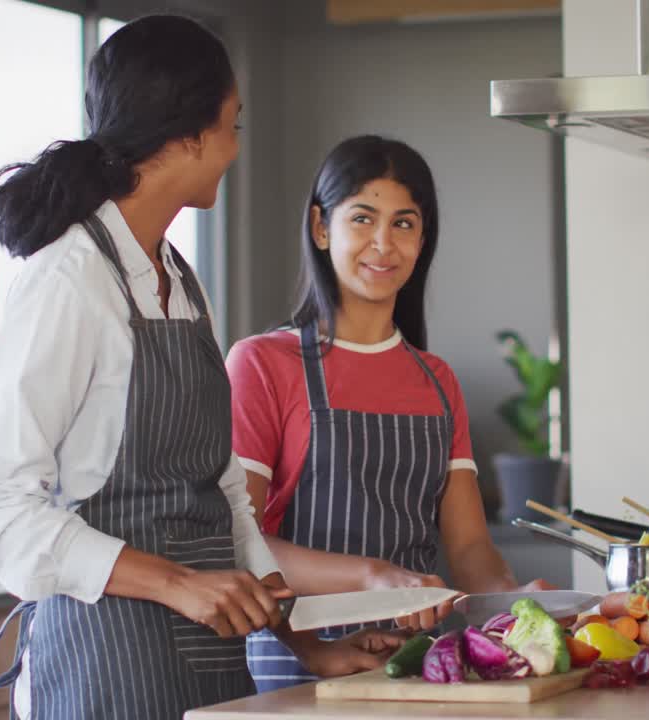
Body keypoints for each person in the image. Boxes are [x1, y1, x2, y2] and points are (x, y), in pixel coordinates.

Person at [0, 17, 393, 719]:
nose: (233, 150)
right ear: (191, 135)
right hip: (103, 665)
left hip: (208, 665)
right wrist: (174, 583)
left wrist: (301, 641)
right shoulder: (70, 279)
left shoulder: (179, 282)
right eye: (232, 126)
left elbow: (220, 495)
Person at [227, 135, 550, 692]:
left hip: (414, 669)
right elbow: (240, 538)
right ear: (322, 227)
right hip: (298, 666)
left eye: (404, 223)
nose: (383, 243)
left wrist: (515, 602)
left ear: (424, 239)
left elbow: (470, 547)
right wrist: (370, 576)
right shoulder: (264, 364)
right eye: (363, 218)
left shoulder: (436, 381)